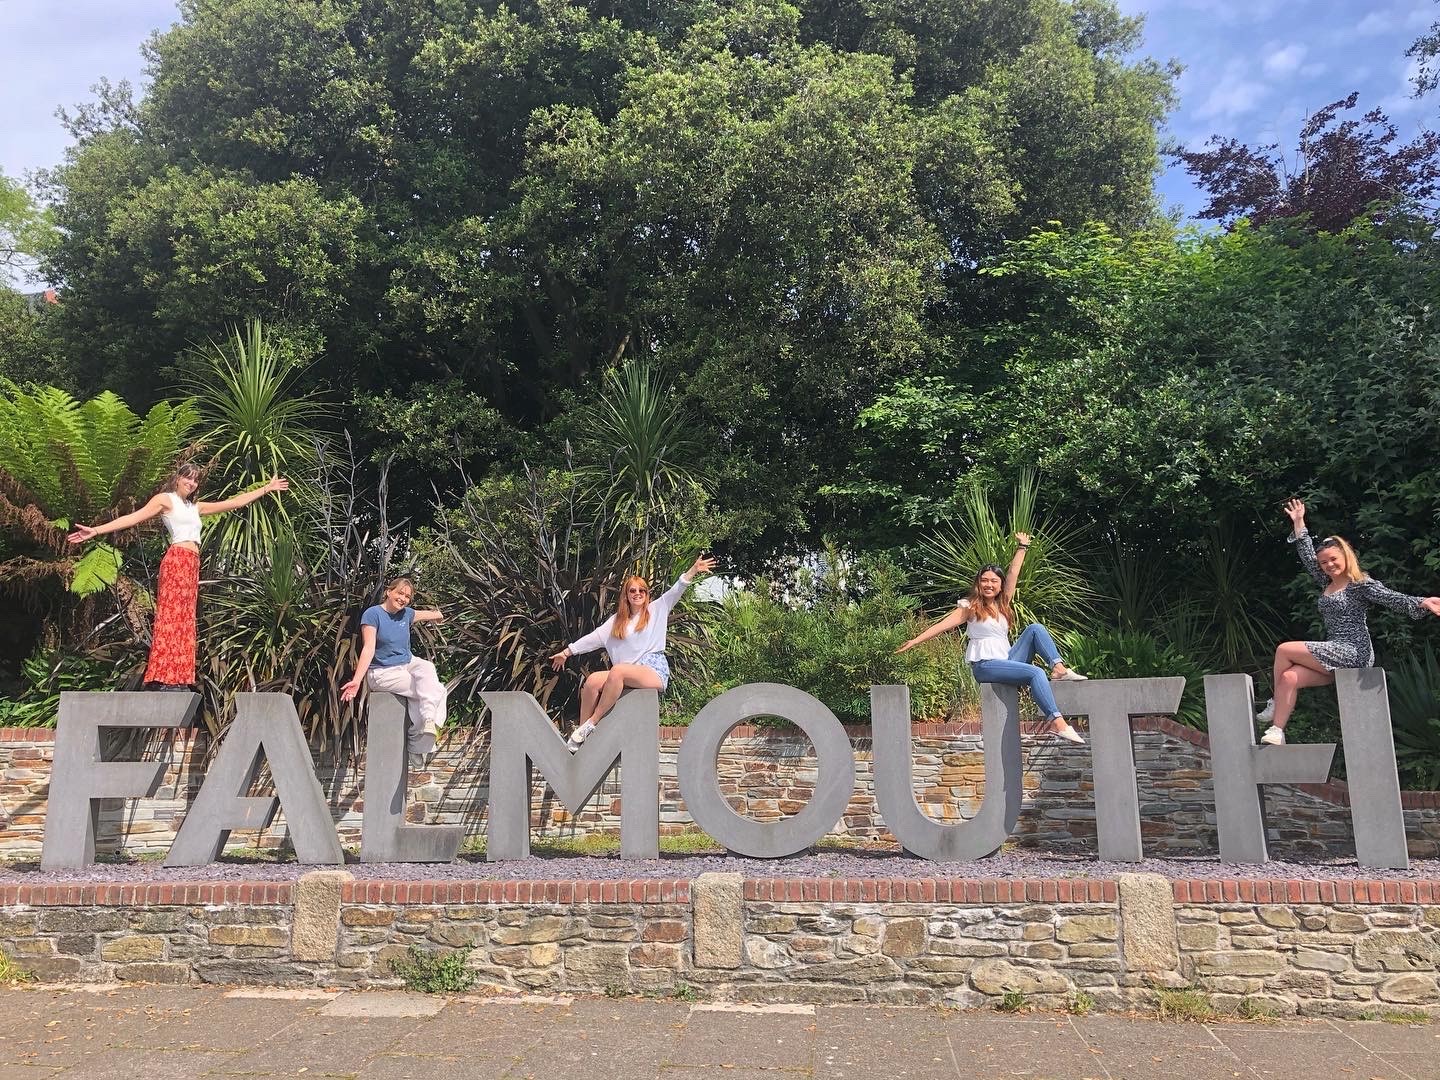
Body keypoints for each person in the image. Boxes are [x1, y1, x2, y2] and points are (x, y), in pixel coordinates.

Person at [67, 466, 289, 689]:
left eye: (195, 481)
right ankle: (163, 676)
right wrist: (96, 530)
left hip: (192, 564)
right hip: (176, 561)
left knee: (185, 621)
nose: (191, 484)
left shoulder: (196, 507)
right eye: (188, 478)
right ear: (177, 478)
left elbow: (235, 502)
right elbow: (134, 518)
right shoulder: (166, 500)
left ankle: (179, 677)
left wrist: (266, 489)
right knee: (170, 617)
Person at [1255, 499, 1440, 745]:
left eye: (1333, 559)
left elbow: (1390, 598)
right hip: (1334, 654)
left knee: (1284, 649)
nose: (1328, 565)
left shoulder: (1359, 585)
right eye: (1324, 563)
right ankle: (1277, 730)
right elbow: (1308, 556)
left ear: (1346, 556)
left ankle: (1276, 700)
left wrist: (1421, 602)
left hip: (1354, 651)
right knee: (1288, 678)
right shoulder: (1326, 583)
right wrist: (1299, 523)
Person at [896, 532, 1087, 743]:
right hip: (985, 666)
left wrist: (1022, 547)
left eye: (994, 581)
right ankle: (1057, 722)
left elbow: (1014, 572)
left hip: (1006, 660)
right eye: (984, 580)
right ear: (978, 583)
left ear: (999, 584)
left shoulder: (1003, 603)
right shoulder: (969, 607)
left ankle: (1058, 668)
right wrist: (915, 641)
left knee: (1035, 628)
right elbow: (941, 626)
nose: (989, 584)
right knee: (1035, 673)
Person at [550, 554, 716, 751]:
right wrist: (567, 652)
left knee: (618, 670)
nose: (638, 594)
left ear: (647, 594)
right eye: (633, 590)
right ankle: (581, 740)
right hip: (626, 672)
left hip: (652, 670)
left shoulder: (657, 610)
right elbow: (592, 639)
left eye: (642, 591)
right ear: (626, 595)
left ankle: (591, 724)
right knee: (593, 680)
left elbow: (677, 589)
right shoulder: (616, 621)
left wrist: (693, 570)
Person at [340, 577, 447, 762]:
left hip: (406, 663)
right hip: (382, 672)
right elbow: (368, 648)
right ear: (389, 592)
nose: (403, 598)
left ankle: (428, 722)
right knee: (434, 690)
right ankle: (416, 741)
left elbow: (427, 614)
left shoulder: (406, 614)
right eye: (400, 593)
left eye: (407, 596)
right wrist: (357, 681)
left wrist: (439, 615)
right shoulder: (372, 614)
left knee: (428, 669)